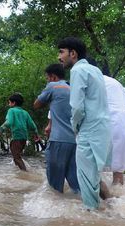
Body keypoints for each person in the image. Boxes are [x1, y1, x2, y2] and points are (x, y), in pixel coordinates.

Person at [57, 37, 112, 209]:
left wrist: (75, 127)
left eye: (61, 52)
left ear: (73, 53)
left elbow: (77, 107)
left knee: (86, 181)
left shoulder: (78, 71)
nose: (59, 57)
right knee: (93, 177)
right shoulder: (95, 71)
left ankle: (92, 220)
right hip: (102, 128)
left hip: (88, 129)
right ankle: (106, 214)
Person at [33, 63, 80, 193]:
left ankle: (54, 209)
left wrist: (47, 94)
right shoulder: (73, 88)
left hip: (58, 140)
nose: (47, 80)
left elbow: (36, 104)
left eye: (47, 78)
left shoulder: (53, 86)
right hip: (75, 141)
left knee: (54, 186)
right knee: (75, 182)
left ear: (52, 77)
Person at [103, 74, 125, 185]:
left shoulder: (94, 80)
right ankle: (118, 197)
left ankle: (104, 198)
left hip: (109, 125)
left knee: (91, 166)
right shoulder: (117, 84)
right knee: (118, 169)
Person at [0, 93, 39, 171]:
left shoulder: (11, 110)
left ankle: (26, 174)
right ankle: (18, 175)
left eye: (9, 102)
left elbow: (9, 122)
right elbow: (32, 125)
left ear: (13, 103)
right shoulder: (25, 113)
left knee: (17, 158)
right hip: (24, 138)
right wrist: (36, 134)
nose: (9, 104)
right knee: (17, 156)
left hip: (16, 137)